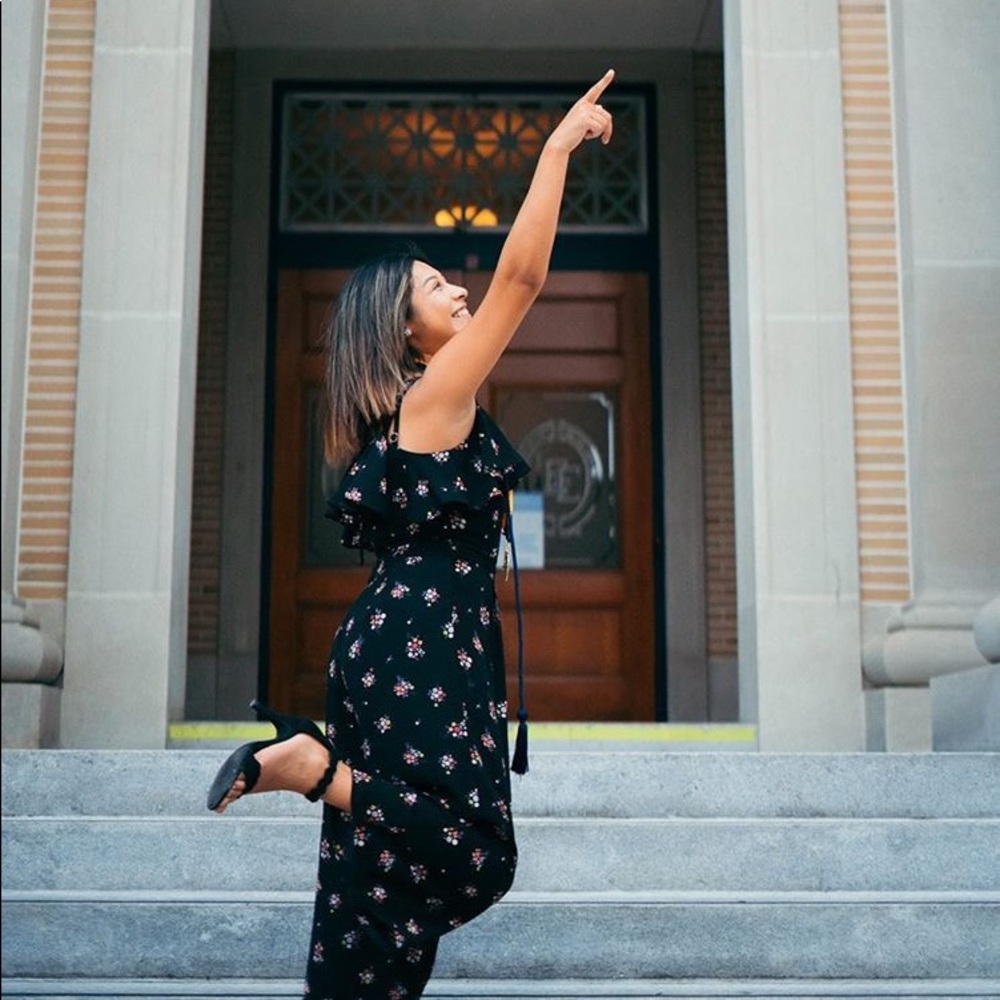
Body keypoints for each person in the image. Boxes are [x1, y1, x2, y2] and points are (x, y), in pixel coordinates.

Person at [206, 68, 616, 999]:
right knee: (476, 852)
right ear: (405, 328)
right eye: (437, 286)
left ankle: (325, 786)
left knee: (379, 900)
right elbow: (522, 276)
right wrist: (554, 148)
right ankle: (312, 768)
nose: (460, 288)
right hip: (420, 641)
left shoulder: (405, 420)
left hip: (414, 639)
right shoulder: (433, 400)